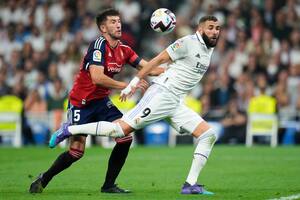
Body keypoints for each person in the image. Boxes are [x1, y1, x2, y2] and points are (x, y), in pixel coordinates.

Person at [50, 15, 221, 195]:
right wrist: (133, 82)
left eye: (217, 28)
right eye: (210, 27)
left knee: (208, 135)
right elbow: (157, 60)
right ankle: (69, 130)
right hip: (162, 95)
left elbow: (168, 68)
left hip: (175, 101)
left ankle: (190, 185)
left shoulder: (208, 48)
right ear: (200, 29)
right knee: (120, 131)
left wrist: (171, 71)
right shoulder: (186, 42)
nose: (215, 32)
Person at [29, 8, 164, 194]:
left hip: (101, 101)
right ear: (103, 28)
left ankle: (109, 185)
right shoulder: (98, 45)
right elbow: (97, 78)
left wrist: (174, 66)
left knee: (125, 137)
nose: (118, 24)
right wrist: (128, 84)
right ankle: (45, 178)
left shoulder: (124, 50)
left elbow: (149, 68)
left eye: (119, 21)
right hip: (80, 102)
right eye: (113, 22)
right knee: (76, 152)